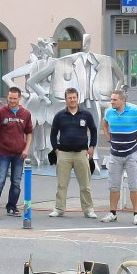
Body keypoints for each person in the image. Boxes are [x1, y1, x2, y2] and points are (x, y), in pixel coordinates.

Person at [102, 89, 137, 225]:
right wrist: (107, 135)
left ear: (122, 100)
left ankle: (136, 214)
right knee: (113, 185)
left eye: (115, 100)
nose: (112, 102)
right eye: (111, 99)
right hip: (115, 153)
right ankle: (112, 212)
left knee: (134, 185)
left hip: (132, 153)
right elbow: (104, 122)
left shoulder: (134, 111)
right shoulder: (109, 112)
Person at [0, 86, 34, 219]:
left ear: (19, 98)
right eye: (10, 98)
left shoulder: (26, 114)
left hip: (19, 154)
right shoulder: (0, 112)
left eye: (14, 98)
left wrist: (26, 149)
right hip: (4, 154)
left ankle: (12, 206)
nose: (12, 101)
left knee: (16, 182)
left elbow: (29, 133)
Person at [49, 86, 98, 218]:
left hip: (81, 154)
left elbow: (94, 131)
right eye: (69, 98)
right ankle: (59, 209)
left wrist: (92, 146)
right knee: (62, 184)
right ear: (65, 100)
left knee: (85, 185)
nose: (72, 100)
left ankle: (88, 210)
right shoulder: (59, 116)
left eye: (74, 97)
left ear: (78, 98)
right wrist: (56, 149)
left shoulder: (86, 115)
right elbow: (53, 134)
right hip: (64, 154)